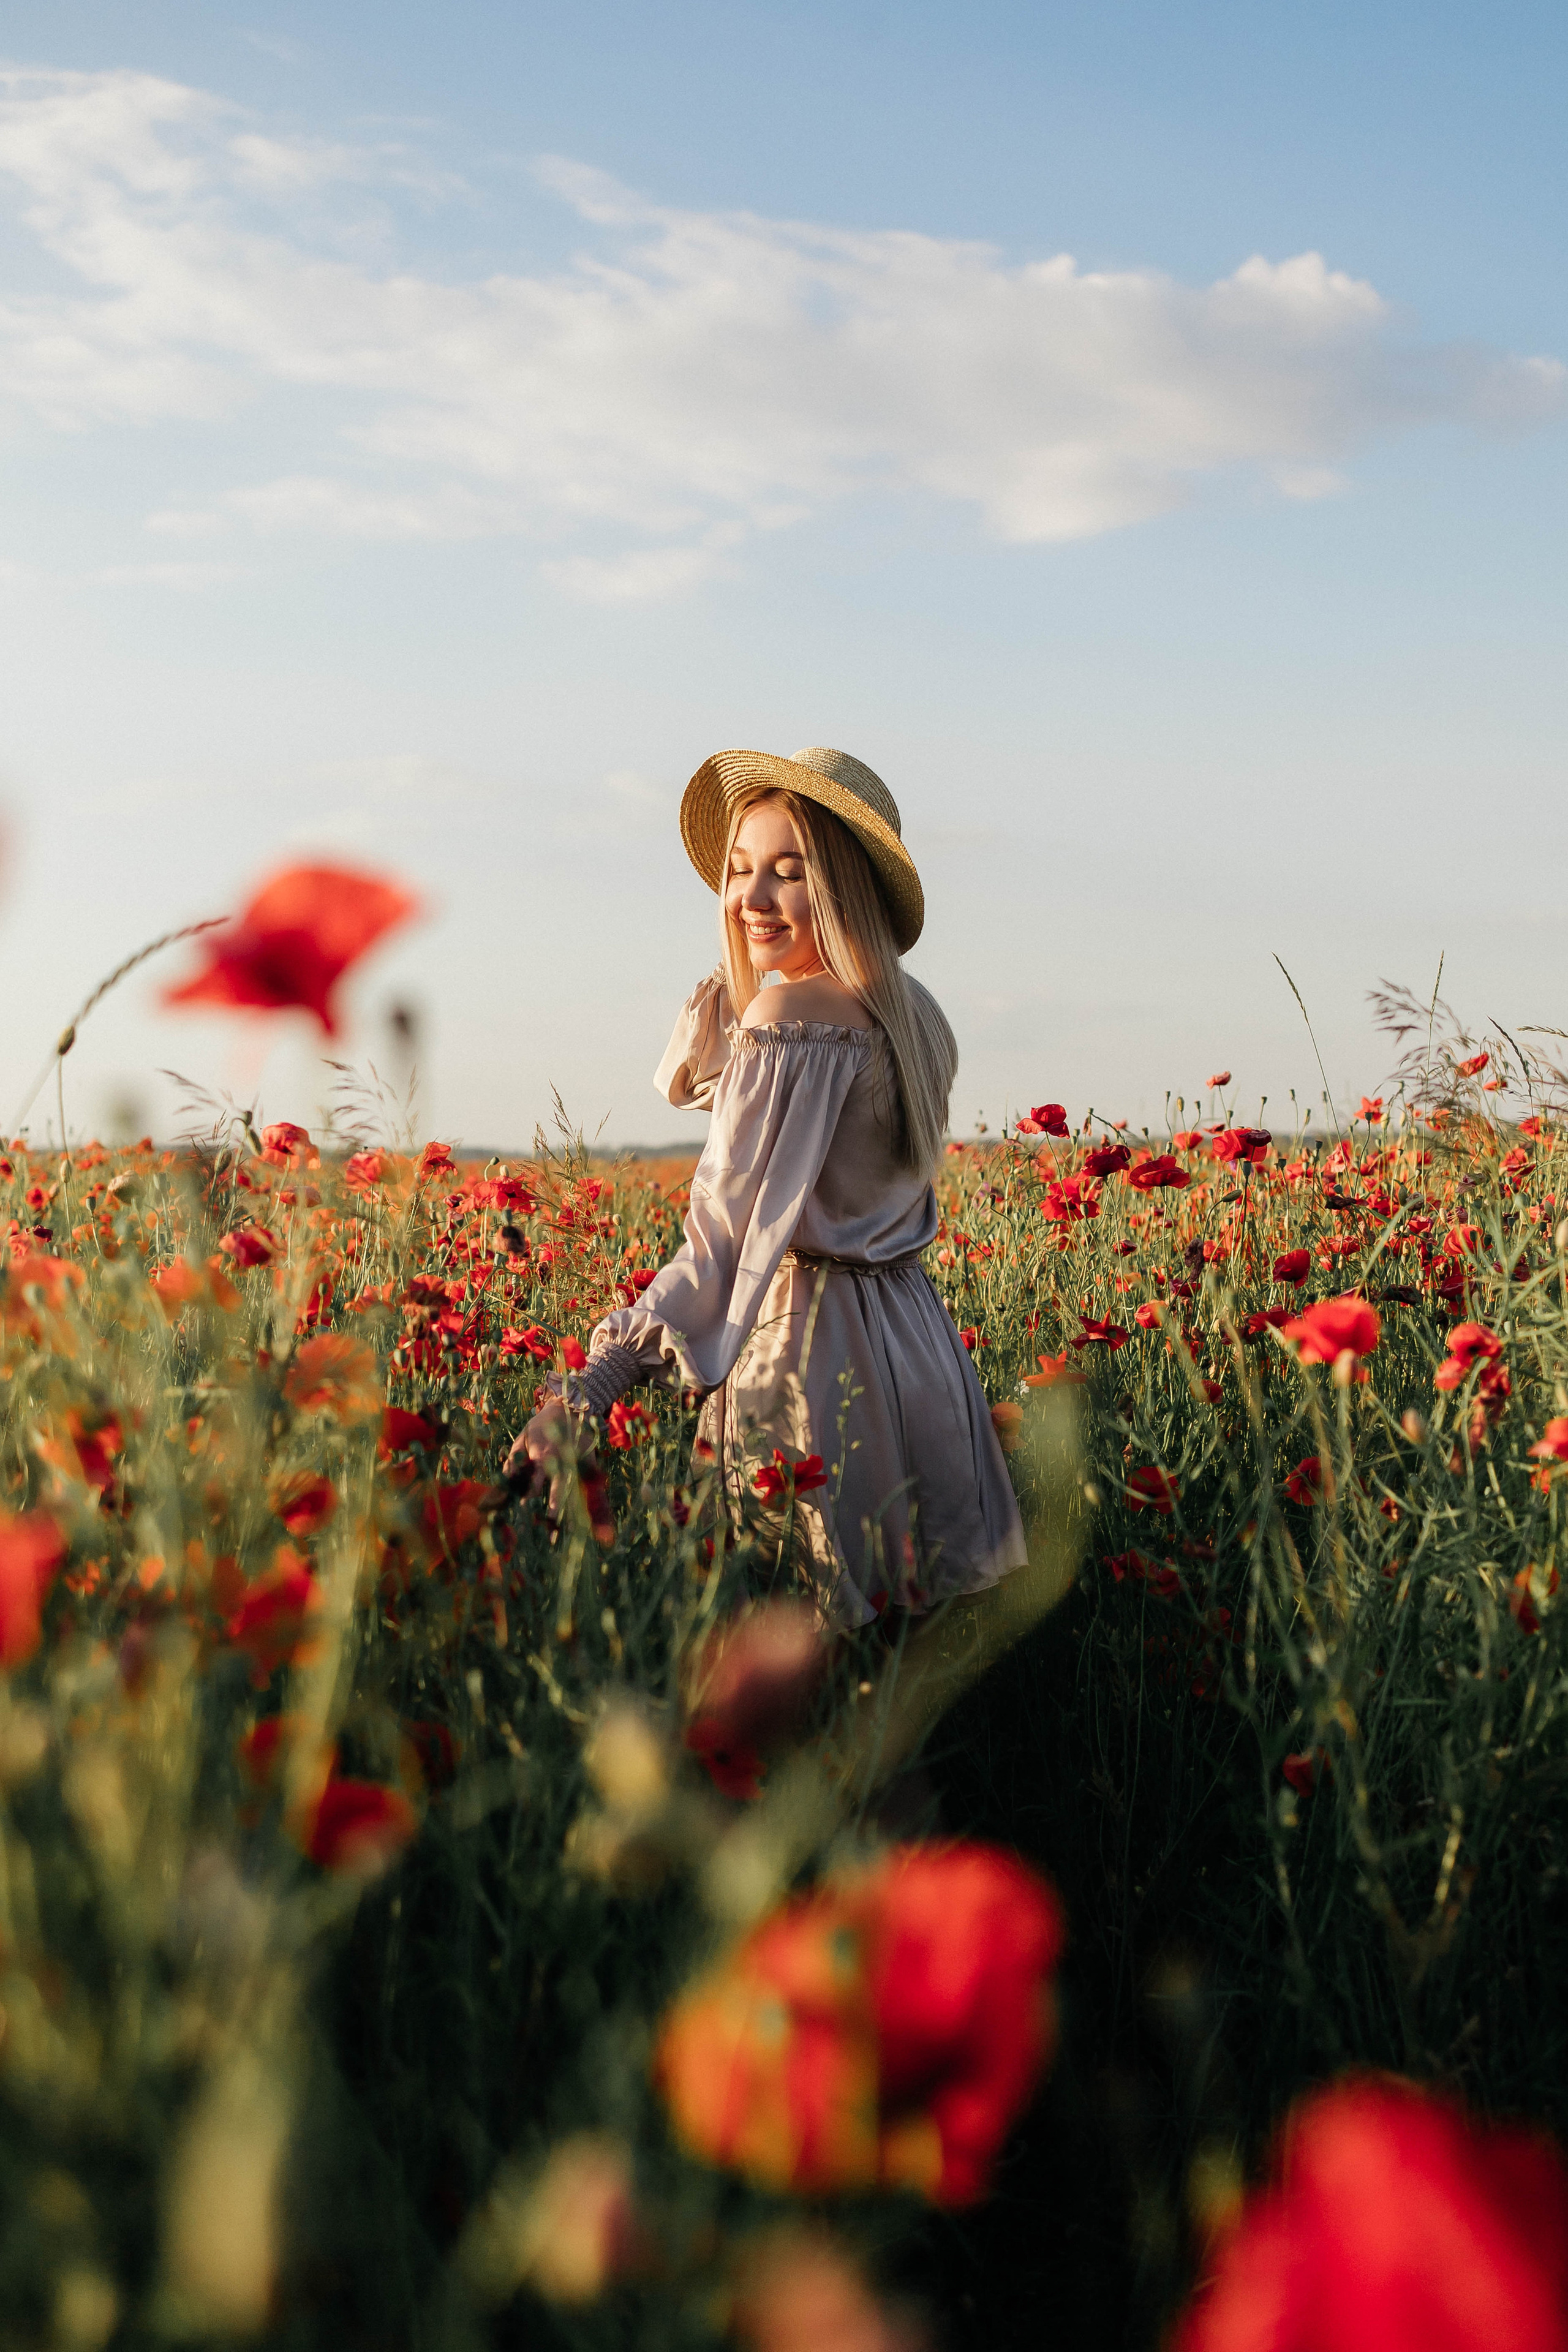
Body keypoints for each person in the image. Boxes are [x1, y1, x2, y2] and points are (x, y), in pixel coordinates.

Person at [509, 745, 1025, 1625]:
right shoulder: (915, 1015)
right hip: (919, 1346)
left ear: (844, 886)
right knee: (911, 1649)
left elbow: (725, 1236)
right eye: (739, 870)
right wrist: (748, 980)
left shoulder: (789, 1021)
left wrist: (597, 1383)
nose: (750, 897)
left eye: (789, 873)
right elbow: (705, 1082)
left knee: (790, 1647)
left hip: (808, 1353)